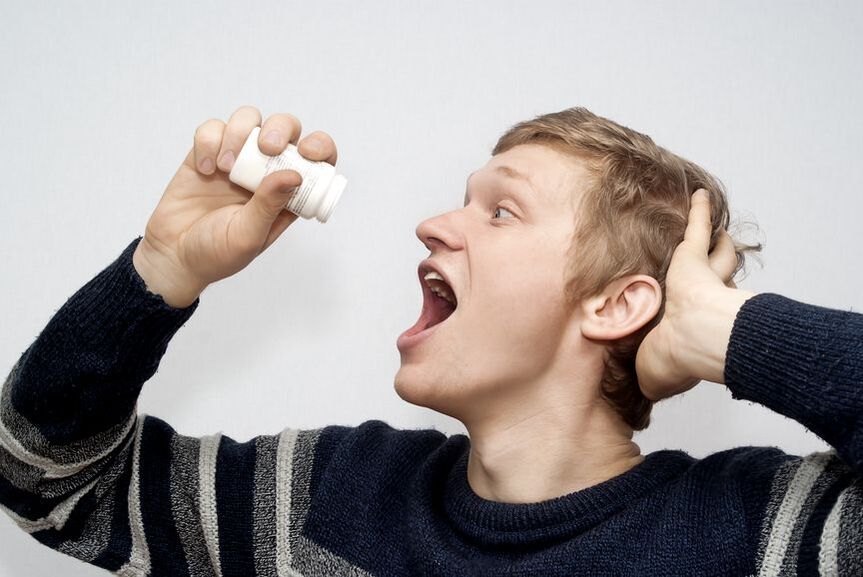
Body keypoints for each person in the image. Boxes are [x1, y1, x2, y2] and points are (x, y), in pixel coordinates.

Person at [0, 105, 859, 576]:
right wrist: (159, 270)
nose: (430, 225)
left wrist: (735, 333)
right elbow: (47, 481)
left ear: (616, 303)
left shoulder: (761, 535)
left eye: (500, 209)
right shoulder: (320, 500)